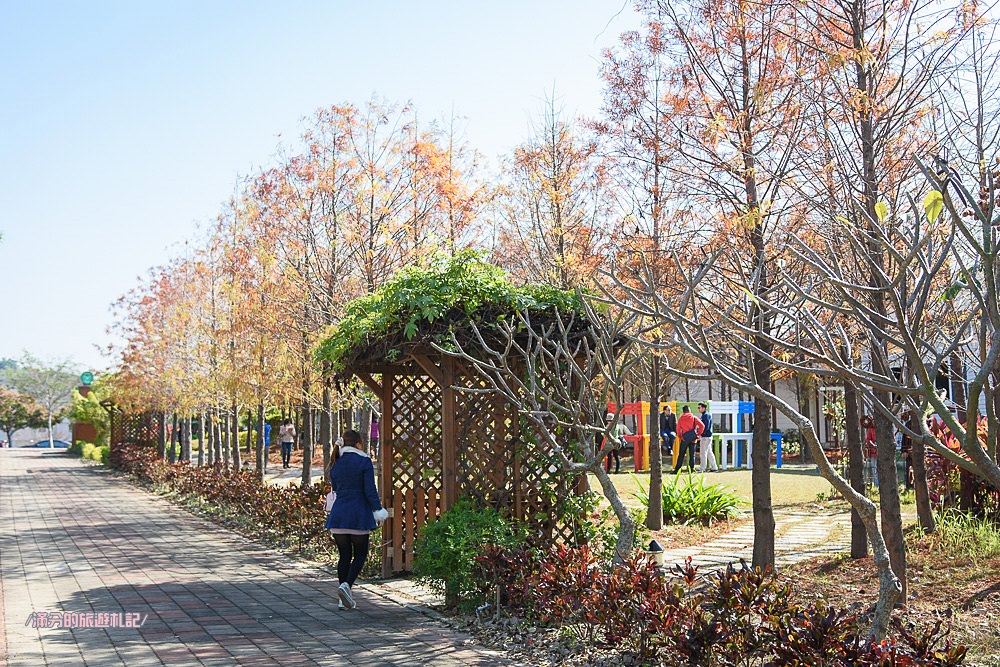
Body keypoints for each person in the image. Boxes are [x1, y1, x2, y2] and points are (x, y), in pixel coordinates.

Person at [325, 429, 388, 610]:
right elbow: (370, 490)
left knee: (344, 556)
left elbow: (335, 487)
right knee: (360, 555)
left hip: (338, 516)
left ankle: (342, 598)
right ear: (359, 443)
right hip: (358, 515)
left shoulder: (335, 461)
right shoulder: (364, 461)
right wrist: (378, 511)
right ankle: (346, 586)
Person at [673, 405, 703, 474]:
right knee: (692, 455)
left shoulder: (681, 418)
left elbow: (678, 429)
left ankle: (677, 470)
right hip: (693, 438)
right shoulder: (694, 417)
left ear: (683, 411)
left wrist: (680, 437)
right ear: (689, 410)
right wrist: (698, 434)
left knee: (681, 455)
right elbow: (702, 425)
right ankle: (691, 470)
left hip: (684, 439)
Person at [697, 403, 719, 473]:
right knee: (709, 452)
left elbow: (705, 426)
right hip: (708, 436)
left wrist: (701, 434)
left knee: (703, 453)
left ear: (703, 408)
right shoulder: (706, 415)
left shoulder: (705, 416)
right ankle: (714, 467)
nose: (698, 409)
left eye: (699, 407)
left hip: (705, 437)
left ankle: (702, 468)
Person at [862, 415, 878, 487]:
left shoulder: (882, 429)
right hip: (873, 452)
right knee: (874, 468)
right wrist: (873, 445)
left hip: (882, 452)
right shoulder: (871, 429)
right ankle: (876, 484)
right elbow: (868, 440)